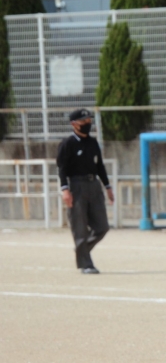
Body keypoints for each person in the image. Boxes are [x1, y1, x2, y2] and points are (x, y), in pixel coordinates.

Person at [56, 108, 114, 274]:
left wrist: (107, 186)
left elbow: (99, 165)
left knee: (102, 226)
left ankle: (81, 250)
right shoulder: (68, 143)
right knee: (80, 226)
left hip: (93, 184)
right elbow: (62, 168)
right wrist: (65, 189)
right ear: (74, 124)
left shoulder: (93, 142)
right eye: (83, 121)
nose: (87, 124)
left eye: (89, 121)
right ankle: (86, 264)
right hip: (77, 185)